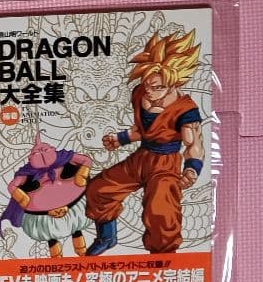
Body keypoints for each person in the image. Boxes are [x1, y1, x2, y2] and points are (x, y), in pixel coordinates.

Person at [86, 30, 204, 254]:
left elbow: (193, 145)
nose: (149, 91)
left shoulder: (185, 110)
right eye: (146, 84)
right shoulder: (140, 93)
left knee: (161, 211)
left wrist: (192, 169)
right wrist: (120, 139)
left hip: (166, 164)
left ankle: (163, 259)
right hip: (142, 157)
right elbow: (144, 130)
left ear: (173, 83)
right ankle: (107, 238)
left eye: (156, 87)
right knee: (99, 188)